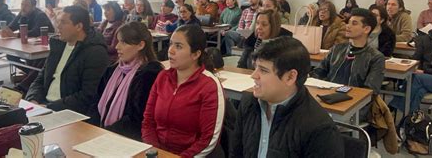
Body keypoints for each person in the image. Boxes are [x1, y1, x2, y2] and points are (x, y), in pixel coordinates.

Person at [230, 37, 344, 158]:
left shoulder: (320, 129)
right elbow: (236, 153)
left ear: (290, 77)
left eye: (263, 70)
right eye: (255, 67)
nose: (253, 75)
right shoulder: (249, 103)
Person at [142, 25, 225, 157]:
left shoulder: (209, 85)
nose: (171, 51)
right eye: (171, 44)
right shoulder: (163, 77)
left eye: (179, 46)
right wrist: (157, 153)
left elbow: (208, 139)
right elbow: (148, 121)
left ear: (196, 54)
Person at [26, 6, 109, 114]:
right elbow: (40, 79)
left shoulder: (95, 52)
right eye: (58, 22)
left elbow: (88, 95)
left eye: (63, 23)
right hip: (44, 106)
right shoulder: (59, 46)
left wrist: (49, 107)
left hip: (69, 112)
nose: (58, 26)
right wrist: (33, 100)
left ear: (79, 26)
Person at [88, 22, 163, 140]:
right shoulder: (112, 70)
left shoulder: (149, 75)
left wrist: (105, 134)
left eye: (123, 42)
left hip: (128, 138)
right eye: (118, 41)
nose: (117, 46)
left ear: (140, 45)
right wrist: (94, 129)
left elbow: (137, 119)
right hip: (102, 133)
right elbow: (96, 102)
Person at [312, 8, 385, 97]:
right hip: (328, 96)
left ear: (366, 29)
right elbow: (318, 72)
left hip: (356, 104)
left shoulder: (376, 58)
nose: (348, 26)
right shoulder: (336, 49)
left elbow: (370, 91)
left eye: (354, 23)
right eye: (348, 22)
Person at [389, 14, 432, 114]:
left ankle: (391, 107)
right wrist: (407, 65)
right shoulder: (425, 39)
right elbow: (416, 58)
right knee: (418, 92)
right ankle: (408, 124)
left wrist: (424, 71)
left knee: (415, 78)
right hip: (424, 77)